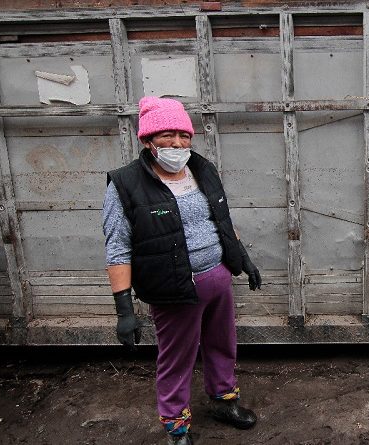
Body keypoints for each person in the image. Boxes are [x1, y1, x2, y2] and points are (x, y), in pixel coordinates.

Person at [102, 96, 263, 445]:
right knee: (177, 359)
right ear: (147, 140)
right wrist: (124, 310)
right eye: (167, 135)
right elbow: (117, 247)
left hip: (218, 278)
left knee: (222, 344)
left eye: (184, 135)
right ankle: (176, 425)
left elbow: (220, 220)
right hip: (174, 290)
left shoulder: (202, 169)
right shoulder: (125, 184)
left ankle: (223, 401)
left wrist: (242, 257)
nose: (177, 143)